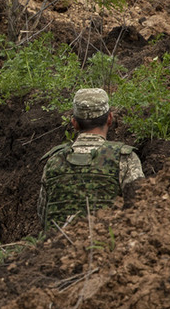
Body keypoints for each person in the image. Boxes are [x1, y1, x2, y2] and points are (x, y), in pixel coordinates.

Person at [37, 88, 144, 232]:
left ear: (74, 122)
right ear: (110, 119)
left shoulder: (54, 160)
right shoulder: (124, 158)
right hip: (108, 249)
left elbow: (43, 216)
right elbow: (140, 210)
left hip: (58, 250)